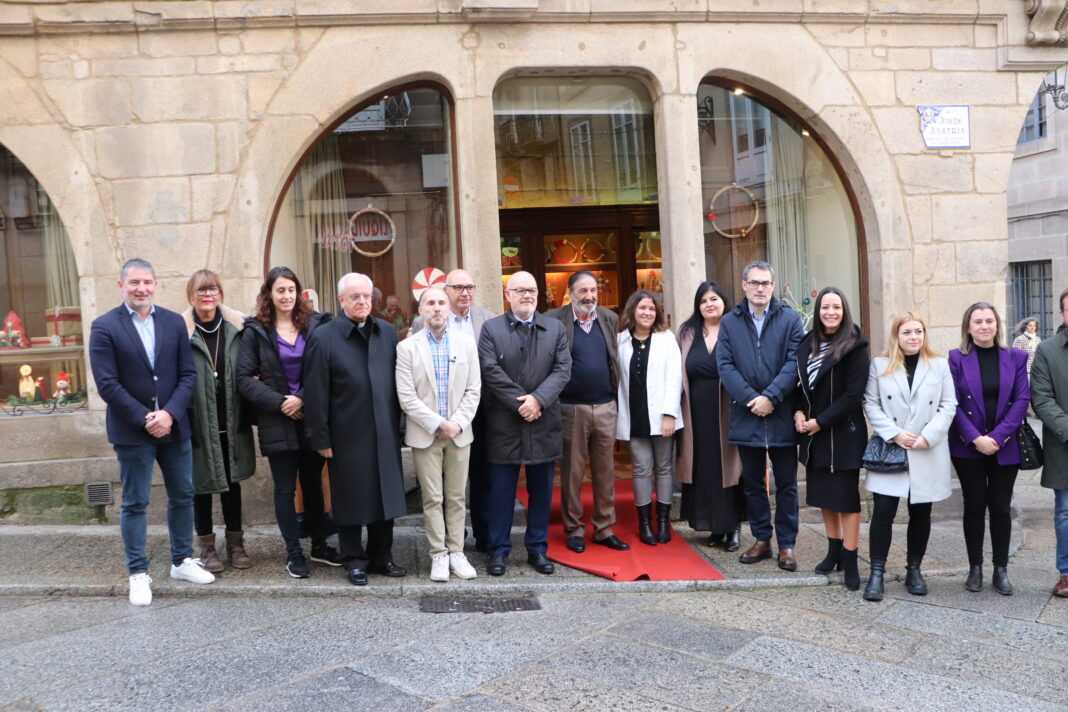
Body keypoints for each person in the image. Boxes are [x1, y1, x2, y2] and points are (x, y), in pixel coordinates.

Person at [89, 258, 214, 606]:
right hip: (133, 431)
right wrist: (146, 418)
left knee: (184, 494)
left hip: (174, 426)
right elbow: (107, 384)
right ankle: (138, 572)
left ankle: (182, 561)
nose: (141, 289)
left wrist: (169, 414)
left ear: (155, 285)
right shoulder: (104, 326)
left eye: (147, 282)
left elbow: (188, 375)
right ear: (121, 286)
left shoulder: (174, 322)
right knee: (135, 502)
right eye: (134, 283)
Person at [303, 272, 408, 586]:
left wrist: (399, 426)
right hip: (346, 433)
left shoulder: (386, 331)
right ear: (341, 301)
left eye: (366, 296)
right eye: (355, 297)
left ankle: (382, 557)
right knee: (350, 498)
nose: (362, 301)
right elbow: (316, 392)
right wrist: (320, 437)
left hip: (384, 430)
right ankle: (354, 560)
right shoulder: (324, 337)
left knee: (385, 496)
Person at [237, 266, 340, 578]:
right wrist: (282, 402)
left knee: (313, 484)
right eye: (280, 290)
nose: (286, 296)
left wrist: (303, 398)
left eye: (291, 290)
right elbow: (244, 378)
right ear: (269, 294)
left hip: (311, 415)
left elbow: (329, 368)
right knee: (284, 488)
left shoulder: (316, 325)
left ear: (299, 292)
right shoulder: (256, 331)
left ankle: (319, 545)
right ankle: (294, 553)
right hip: (276, 419)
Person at [478, 271, 571, 576]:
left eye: (531, 290)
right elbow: (489, 370)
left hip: (543, 422)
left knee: (541, 493)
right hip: (504, 424)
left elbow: (563, 369)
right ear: (508, 295)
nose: (527, 295)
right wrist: (523, 403)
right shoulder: (491, 329)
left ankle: (538, 549)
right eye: (520, 290)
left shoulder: (555, 328)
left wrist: (538, 400)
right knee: (501, 493)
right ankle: (498, 550)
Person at [862, 311, 956, 601]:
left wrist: (928, 436)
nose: (913, 337)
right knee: (883, 512)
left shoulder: (939, 365)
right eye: (907, 332)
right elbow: (871, 403)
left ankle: (914, 569)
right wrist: (894, 433)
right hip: (891, 448)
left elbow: (948, 404)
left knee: (921, 513)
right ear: (896, 335)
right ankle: (876, 572)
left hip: (926, 448)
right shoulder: (880, 364)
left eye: (918, 331)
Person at [717, 260, 805, 570]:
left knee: (787, 484)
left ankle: (787, 545)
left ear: (772, 286)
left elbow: (795, 362)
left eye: (765, 283)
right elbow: (725, 365)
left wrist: (771, 397)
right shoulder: (729, 322)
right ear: (744, 285)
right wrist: (752, 399)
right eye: (754, 282)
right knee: (753, 483)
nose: (759, 288)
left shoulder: (790, 319)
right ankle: (762, 539)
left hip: (781, 412)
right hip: (746, 413)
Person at [396, 286, 481, 582]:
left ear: (448, 309)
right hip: (426, 434)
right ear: (421, 310)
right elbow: (406, 397)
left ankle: (457, 551)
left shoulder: (466, 343)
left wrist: (456, 423)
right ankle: (438, 554)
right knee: (432, 498)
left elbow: (474, 389)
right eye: (430, 303)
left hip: (459, 432)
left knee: (456, 497)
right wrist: (438, 424)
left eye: (441, 303)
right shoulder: (407, 348)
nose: (436, 308)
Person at [411, 268, 496, 551]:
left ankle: (484, 534)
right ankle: (448, 537)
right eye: (458, 287)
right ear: (446, 290)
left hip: (478, 411)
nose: (465, 293)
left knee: (481, 474)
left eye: (469, 287)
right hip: (437, 416)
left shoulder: (488, 319)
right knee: (441, 482)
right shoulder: (421, 322)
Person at [948, 302, 1030, 596]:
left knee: (1000, 506)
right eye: (978, 321)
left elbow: (1022, 400)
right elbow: (952, 402)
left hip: (1004, 445)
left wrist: (997, 437)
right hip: (967, 445)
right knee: (973, 504)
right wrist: (975, 438)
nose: (984, 326)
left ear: (997, 325)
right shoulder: (955, 358)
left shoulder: (1016, 357)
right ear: (968, 328)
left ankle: (1000, 569)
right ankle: (975, 568)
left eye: (989, 321)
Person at [546, 270, 628, 553]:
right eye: (583, 291)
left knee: (606, 471)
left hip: (605, 406)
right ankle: (574, 529)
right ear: (570, 293)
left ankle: (604, 528)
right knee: (572, 472)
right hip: (571, 408)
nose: (589, 296)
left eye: (593, 290)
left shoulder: (609, 318)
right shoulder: (554, 320)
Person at [793, 287, 869, 591]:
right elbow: (799, 386)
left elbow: (854, 394)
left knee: (847, 501)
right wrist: (798, 412)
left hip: (844, 435)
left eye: (836, 307)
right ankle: (834, 551)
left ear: (844, 310)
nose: (830, 312)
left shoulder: (855, 344)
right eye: (825, 307)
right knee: (825, 497)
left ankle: (851, 558)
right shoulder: (807, 344)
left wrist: (821, 422)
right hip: (815, 437)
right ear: (818, 311)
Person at [183, 270, 257, 573]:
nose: (207, 295)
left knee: (231, 485)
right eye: (201, 290)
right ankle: (207, 548)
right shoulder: (181, 333)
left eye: (212, 289)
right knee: (200, 487)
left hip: (232, 419)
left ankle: (236, 545)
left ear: (220, 293)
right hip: (198, 422)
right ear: (191, 295)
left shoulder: (238, 329)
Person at [676, 281, 743, 552]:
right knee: (705, 469)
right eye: (703, 301)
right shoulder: (687, 332)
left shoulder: (736, 329)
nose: (709, 304)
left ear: (723, 301)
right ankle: (715, 526)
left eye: (714, 299)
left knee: (729, 469)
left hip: (729, 411)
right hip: (695, 414)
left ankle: (733, 526)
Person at [616, 290, 683, 546]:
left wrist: (670, 414)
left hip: (662, 415)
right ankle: (644, 524)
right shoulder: (621, 339)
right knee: (641, 469)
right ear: (633, 310)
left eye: (652, 308)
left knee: (664, 468)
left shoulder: (667, 339)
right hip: (634, 416)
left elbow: (675, 377)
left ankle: (663, 522)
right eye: (642, 307)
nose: (647, 312)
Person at [1027, 288, 1068, 598]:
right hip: (1064, 446)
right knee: (1065, 512)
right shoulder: (1048, 350)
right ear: (1063, 314)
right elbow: (1041, 398)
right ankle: (1066, 574)